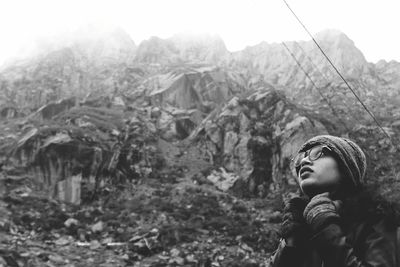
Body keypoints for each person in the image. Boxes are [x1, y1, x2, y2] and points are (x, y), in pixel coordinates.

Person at [269, 135, 398, 267]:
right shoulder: (298, 225)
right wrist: (291, 241)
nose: (304, 161)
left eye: (318, 153)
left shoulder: (376, 218)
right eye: (301, 158)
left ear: (346, 167)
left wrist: (325, 226)